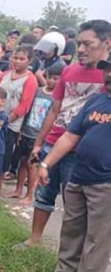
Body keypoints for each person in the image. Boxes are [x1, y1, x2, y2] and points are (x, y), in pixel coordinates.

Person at [22, 19, 111, 247]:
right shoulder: (69, 71)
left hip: (83, 151)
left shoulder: (106, 78)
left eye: (87, 44)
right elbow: (55, 109)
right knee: (43, 195)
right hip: (55, 143)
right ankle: (34, 239)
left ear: (107, 43)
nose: (80, 50)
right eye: (79, 44)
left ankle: (71, 255)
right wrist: (39, 143)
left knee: (76, 208)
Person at [36, 54, 111, 272]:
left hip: (105, 182)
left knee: (97, 237)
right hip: (79, 175)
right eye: (107, 70)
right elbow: (70, 136)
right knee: (72, 227)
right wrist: (46, 164)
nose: (108, 74)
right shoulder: (97, 100)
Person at [9, 64, 63, 204]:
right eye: (50, 77)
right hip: (26, 131)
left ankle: (29, 195)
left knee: (32, 165)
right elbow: (27, 110)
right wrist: (21, 129)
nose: (52, 81)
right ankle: (18, 189)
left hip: (39, 136)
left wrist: (45, 138)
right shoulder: (38, 91)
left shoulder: (58, 99)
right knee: (22, 162)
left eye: (56, 79)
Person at [0, 46, 38, 180]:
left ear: (29, 61)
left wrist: (5, 121)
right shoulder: (5, 75)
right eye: (15, 58)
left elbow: (24, 106)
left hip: (11, 125)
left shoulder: (30, 80)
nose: (17, 61)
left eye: (22, 59)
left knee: (4, 153)